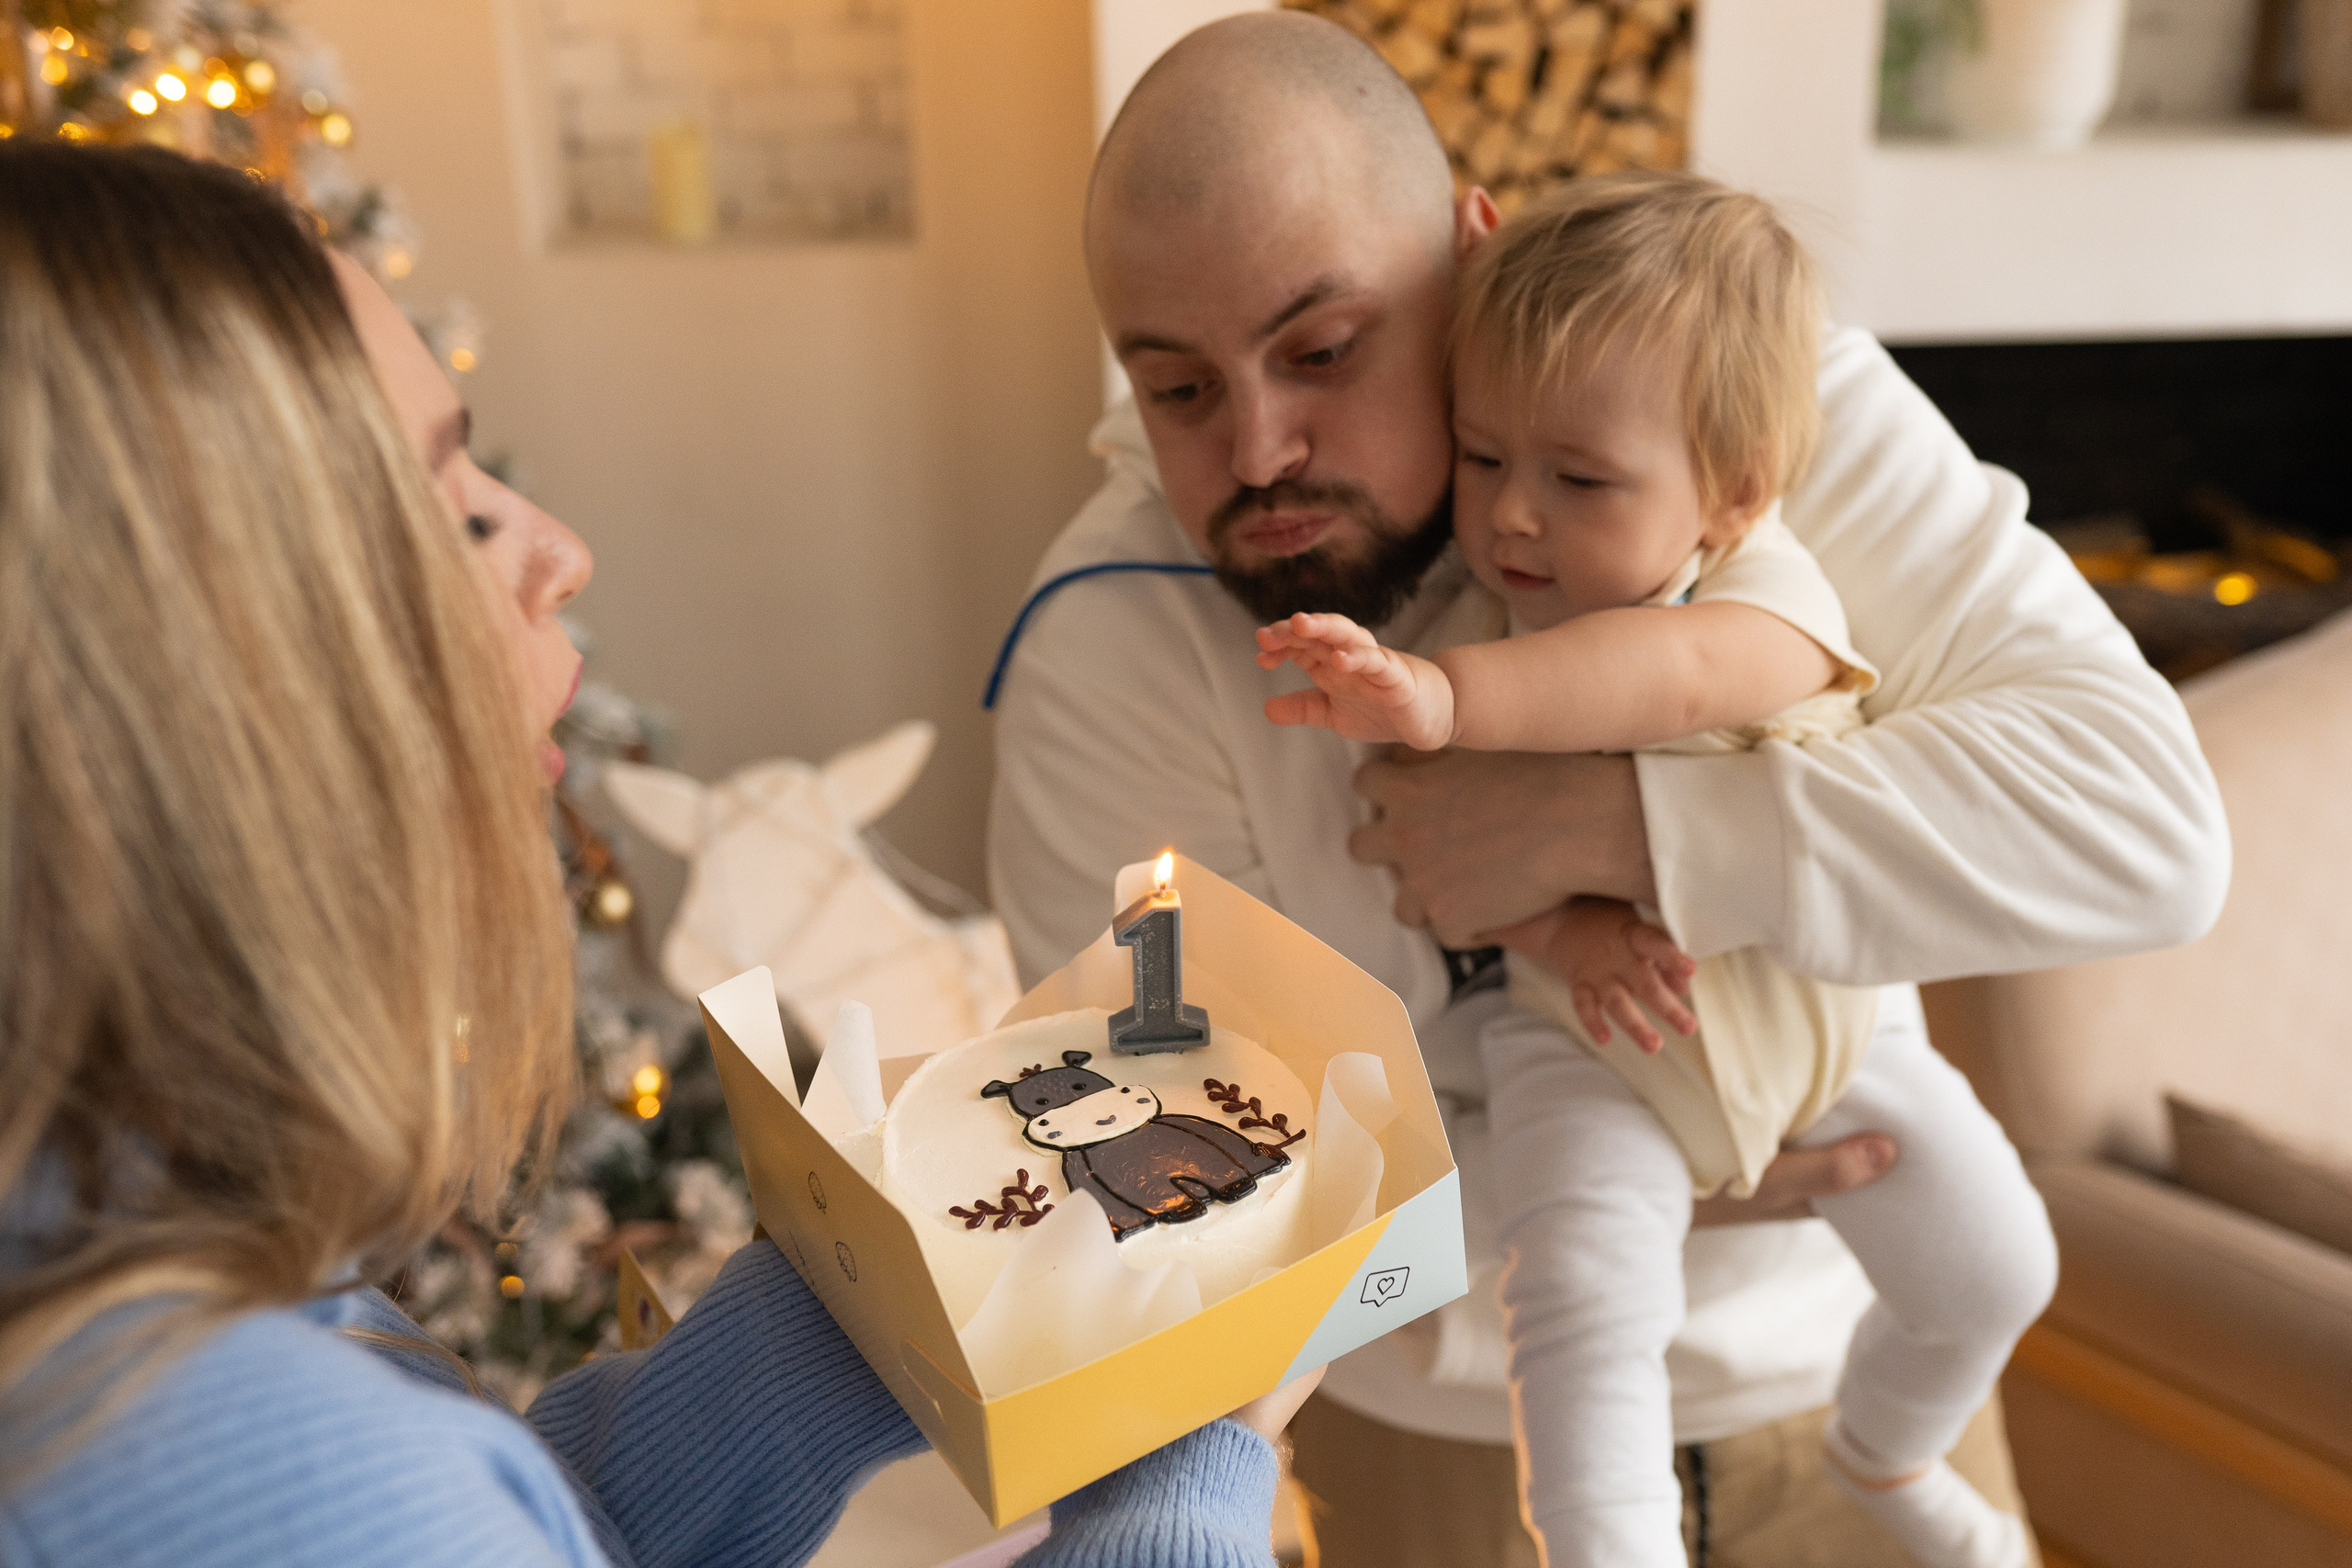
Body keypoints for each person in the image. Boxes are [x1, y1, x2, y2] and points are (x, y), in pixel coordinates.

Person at [987, 13, 2226, 1566]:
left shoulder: (1727, 395)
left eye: (1324, 349)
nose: (1259, 453)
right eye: (1179, 390)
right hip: (1455, 1446)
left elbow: (2147, 832)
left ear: (1469, 254)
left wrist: (1615, 832)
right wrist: (1613, 1186)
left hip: (1847, 1351)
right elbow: (1180, 1209)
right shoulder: (1105, 649)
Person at [0, 141, 1310, 1568]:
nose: (559, 551)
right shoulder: (242, 1474)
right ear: (214, 679)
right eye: (456, 507)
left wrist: (853, 1306)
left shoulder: (113, 1259)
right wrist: (1188, 1468)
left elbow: (537, 1531)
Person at [1259, 171, 2057, 1568]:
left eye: (1580, 480)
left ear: (1730, 498)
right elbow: (1442, 867)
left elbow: (1668, 676)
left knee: (2000, 1269)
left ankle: (1891, 1452)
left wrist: (1448, 701)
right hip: (1590, 1043)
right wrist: (1568, 936)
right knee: (1580, 1311)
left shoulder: (1767, 599)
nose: (1514, 518)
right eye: (1485, 458)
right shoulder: (1477, 621)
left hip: (1822, 1034)